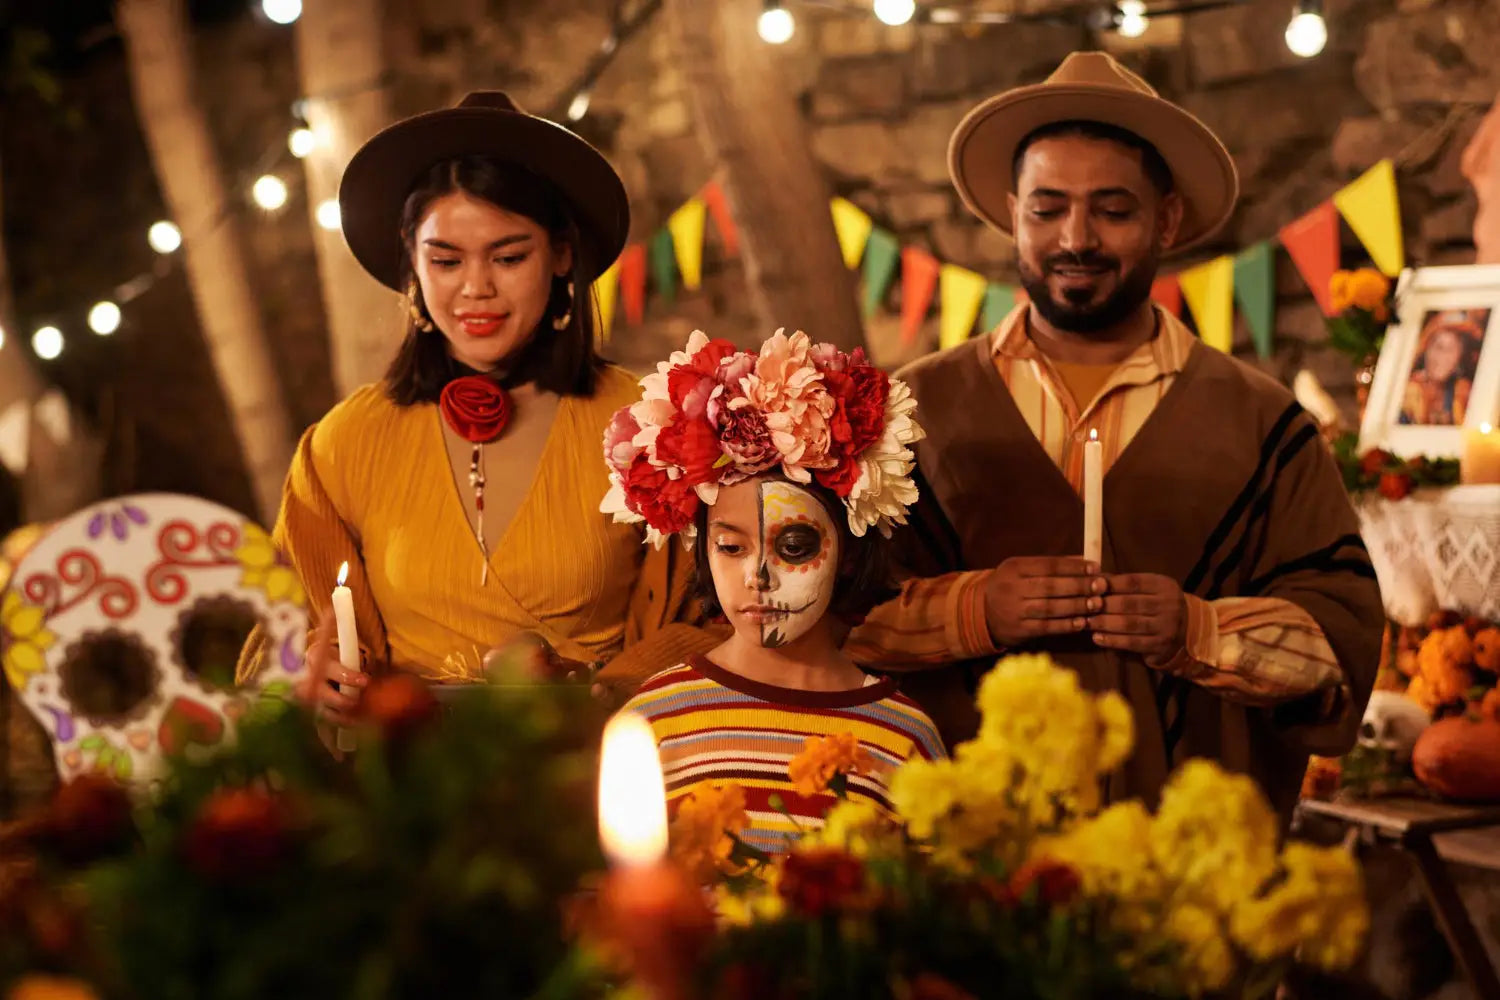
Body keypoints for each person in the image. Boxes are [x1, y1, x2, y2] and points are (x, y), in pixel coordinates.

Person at [839, 51, 1383, 823]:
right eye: (1048, 208)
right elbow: (837, 615)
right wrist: (978, 607)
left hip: (1193, 870)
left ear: (1165, 218)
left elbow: (1342, 640)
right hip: (968, 865)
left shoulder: (1265, 426)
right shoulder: (907, 412)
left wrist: (1200, 629)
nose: (1076, 237)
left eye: (1113, 210)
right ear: (1012, 211)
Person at [236, 93, 716, 732]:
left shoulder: (651, 425)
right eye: (445, 260)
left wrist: (601, 692)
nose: (475, 288)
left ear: (562, 256)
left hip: (600, 767)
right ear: (412, 261)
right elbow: (277, 641)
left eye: (509, 256)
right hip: (412, 787)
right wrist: (306, 671)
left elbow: (715, 619)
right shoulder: (343, 442)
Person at [606, 331, 945, 854]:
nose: (757, 577)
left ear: (849, 551)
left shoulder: (905, 737)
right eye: (731, 547)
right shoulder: (653, 721)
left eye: (792, 546)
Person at [1398, 311, 1483, 426]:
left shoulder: (1462, 392)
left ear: (1459, 357)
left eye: (1450, 349)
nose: (1441, 357)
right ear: (1426, 350)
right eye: (1438, 347)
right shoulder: (1409, 391)